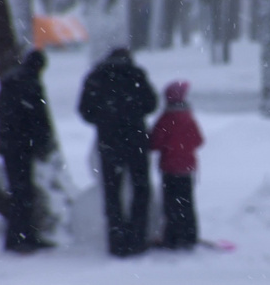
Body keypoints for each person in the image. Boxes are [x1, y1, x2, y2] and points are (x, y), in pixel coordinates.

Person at [78, 48, 158, 257]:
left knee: (112, 192)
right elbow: (151, 104)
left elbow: (85, 110)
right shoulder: (136, 74)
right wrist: (132, 113)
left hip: (109, 140)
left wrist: (104, 119)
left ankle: (116, 241)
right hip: (136, 138)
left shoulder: (96, 77)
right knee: (141, 188)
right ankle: (137, 237)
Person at [0, 49, 55, 253]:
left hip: (9, 145)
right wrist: (43, 142)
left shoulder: (10, 80)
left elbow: (1, 109)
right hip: (22, 146)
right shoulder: (31, 82)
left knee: (17, 191)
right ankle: (23, 237)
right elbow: (39, 117)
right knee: (24, 193)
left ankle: (18, 236)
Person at [150, 80, 204, 250]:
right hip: (187, 168)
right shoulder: (188, 118)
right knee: (187, 203)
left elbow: (154, 143)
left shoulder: (165, 119)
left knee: (171, 204)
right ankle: (189, 236)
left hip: (170, 168)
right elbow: (199, 140)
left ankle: (172, 237)